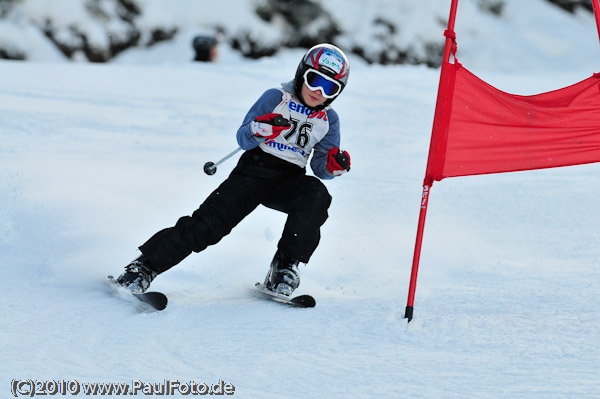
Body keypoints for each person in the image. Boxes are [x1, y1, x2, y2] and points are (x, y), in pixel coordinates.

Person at [114, 43, 351, 296]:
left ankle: (285, 266)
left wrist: (332, 166)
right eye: (313, 80)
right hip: (253, 172)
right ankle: (144, 266)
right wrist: (260, 128)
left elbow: (320, 167)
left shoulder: (329, 119)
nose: (318, 91)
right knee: (207, 226)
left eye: (329, 88)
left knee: (316, 194)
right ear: (301, 73)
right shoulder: (275, 98)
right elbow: (244, 138)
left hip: (289, 180)